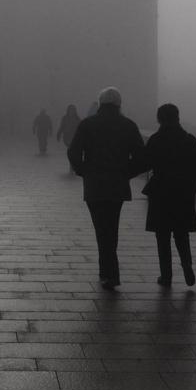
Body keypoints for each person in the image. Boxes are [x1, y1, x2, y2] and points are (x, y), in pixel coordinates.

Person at [66, 87, 147, 290]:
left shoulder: (87, 124)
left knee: (101, 229)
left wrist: (84, 171)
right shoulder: (128, 125)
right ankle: (110, 273)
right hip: (117, 185)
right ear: (119, 104)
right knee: (111, 227)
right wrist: (126, 173)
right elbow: (142, 158)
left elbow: (73, 152)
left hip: (94, 186)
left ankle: (108, 273)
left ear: (100, 103)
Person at [143, 103, 196, 287]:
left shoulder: (156, 140)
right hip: (183, 194)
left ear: (159, 119)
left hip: (161, 193)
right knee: (181, 234)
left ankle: (166, 276)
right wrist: (190, 190)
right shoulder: (189, 140)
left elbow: (145, 163)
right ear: (177, 117)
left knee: (162, 237)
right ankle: (187, 265)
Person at [56, 104, 81, 172]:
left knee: (72, 151)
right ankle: (72, 164)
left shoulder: (77, 118)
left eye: (73, 110)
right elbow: (62, 126)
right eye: (70, 110)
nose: (71, 111)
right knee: (71, 150)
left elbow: (80, 128)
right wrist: (59, 134)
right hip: (67, 136)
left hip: (75, 136)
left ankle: (72, 165)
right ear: (68, 110)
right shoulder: (65, 118)